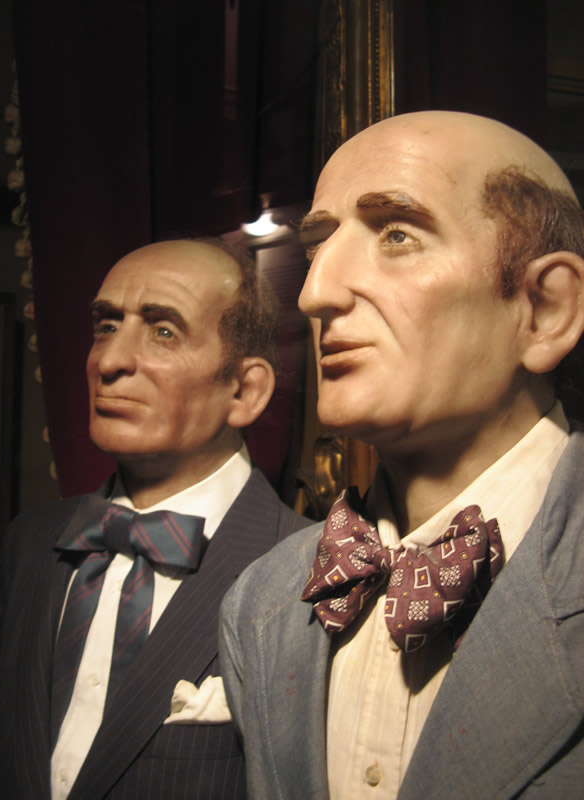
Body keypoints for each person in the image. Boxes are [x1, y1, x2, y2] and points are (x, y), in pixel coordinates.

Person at [219, 111, 584, 799]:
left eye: (396, 234)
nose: (315, 293)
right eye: (318, 245)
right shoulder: (262, 602)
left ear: (545, 309)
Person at [0, 239, 308, 800]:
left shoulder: (308, 573)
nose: (109, 361)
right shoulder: (30, 543)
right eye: (107, 326)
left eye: (163, 331)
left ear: (244, 390)